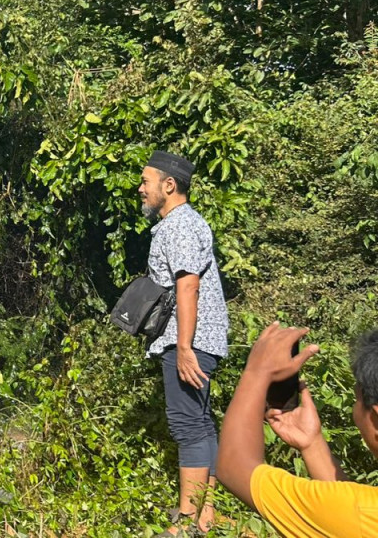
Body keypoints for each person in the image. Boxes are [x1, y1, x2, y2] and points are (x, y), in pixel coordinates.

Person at [139, 150, 229, 535]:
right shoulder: (184, 223)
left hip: (189, 339)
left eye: (145, 181)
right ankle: (206, 516)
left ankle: (187, 521)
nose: (140, 189)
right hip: (197, 338)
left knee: (187, 425)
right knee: (201, 424)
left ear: (169, 185)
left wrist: (185, 346)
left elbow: (188, 285)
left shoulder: (179, 225)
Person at [216, 322, 378, 537]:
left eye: (357, 399)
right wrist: (312, 444)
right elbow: (342, 513)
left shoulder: (360, 514)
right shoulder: (364, 515)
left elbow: (233, 468)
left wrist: (257, 370)